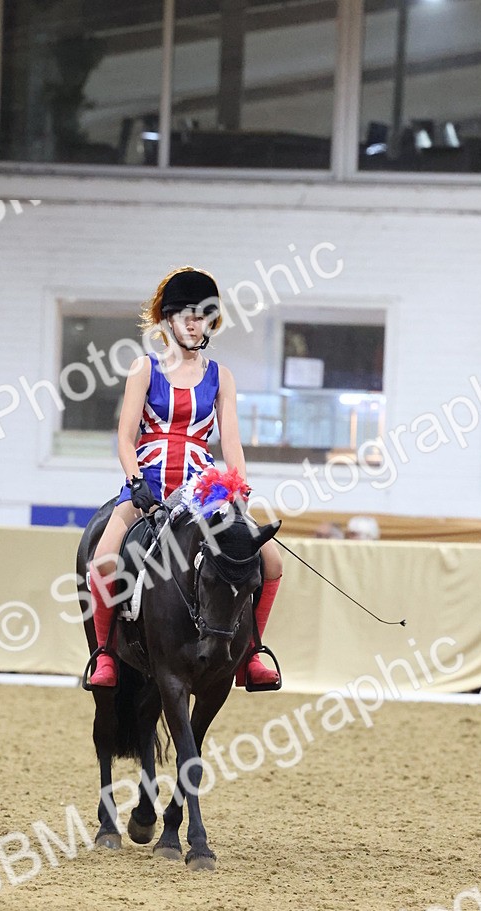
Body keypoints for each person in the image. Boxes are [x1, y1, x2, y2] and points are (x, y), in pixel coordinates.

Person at [88, 266, 283, 688]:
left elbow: (230, 443)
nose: (194, 325)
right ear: (167, 321)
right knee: (104, 558)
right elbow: (124, 437)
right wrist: (134, 479)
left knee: (270, 560)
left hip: (202, 487)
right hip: (150, 482)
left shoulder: (221, 377)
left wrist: (239, 486)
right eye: (185, 316)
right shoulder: (144, 369)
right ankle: (104, 653)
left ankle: (251, 654)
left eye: (202, 317)